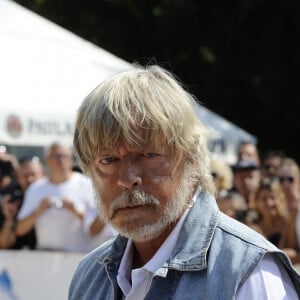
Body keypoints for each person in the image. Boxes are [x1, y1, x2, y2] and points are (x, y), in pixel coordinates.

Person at [68, 65, 300, 299]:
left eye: (149, 154)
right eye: (108, 160)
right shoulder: (89, 276)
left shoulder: (248, 273)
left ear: (192, 158)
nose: (127, 179)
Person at [16, 142, 94, 252]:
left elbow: (98, 228)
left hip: (79, 257)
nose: (61, 160)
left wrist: (75, 210)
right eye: (56, 156)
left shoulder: (87, 185)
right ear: (47, 159)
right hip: (46, 259)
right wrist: (38, 211)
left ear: (71, 159)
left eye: (65, 156)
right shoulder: (35, 189)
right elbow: (19, 229)